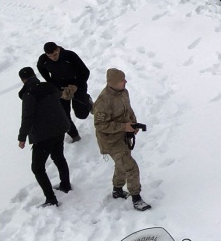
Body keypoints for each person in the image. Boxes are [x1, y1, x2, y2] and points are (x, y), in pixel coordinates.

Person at [92, 68, 149, 210]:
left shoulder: (124, 92)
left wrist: (133, 124)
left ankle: (117, 190)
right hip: (111, 141)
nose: (125, 82)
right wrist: (124, 127)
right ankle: (136, 198)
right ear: (113, 82)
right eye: (122, 80)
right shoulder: (103, 101)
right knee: (131, 167)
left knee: (121, 164)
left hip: (123, 138)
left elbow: (128, 110)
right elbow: (100, 125)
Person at [17, 67, 71, 206]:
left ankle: (51, 199)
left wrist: (22, 137)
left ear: (23, 80)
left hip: (44, 135)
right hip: (59, 128)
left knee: (37, 168)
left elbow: (27, 117)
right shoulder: (49, 86)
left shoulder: (29, 94)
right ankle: (65, 185)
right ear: (34, 75)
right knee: (59, 157)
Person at [37, 41, 89, 142]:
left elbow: (85, 72)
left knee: (81, 114)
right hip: (60, 89)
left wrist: (76, 86)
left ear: (58, 49)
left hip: (77, 85)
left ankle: (88, 101)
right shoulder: (43, 60)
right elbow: (40, 67)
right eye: (50, 56)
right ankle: (74, 135)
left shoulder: (70, 56)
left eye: (55, 54)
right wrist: (51, 83)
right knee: (63, 115)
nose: (53, 57)